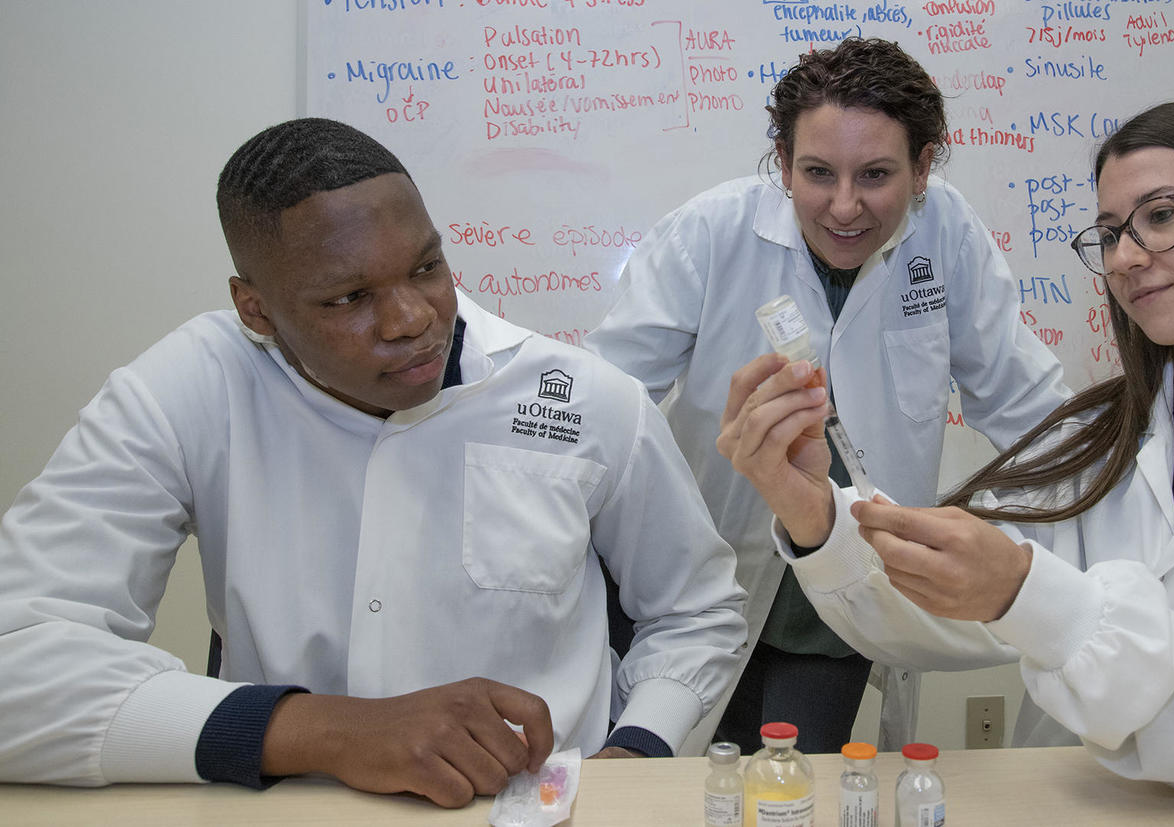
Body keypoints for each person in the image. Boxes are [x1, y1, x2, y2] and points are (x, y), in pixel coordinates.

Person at [718, 99, 1174, 801]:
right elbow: (935, 606)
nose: (1127, 257)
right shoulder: (1092, 442)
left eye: (1161, 216)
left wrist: (1036, 600)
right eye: (1110, 234)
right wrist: (814, 514)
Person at [0, 118, 747, 807]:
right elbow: (17, 662)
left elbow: (697, 610)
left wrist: (637, 747)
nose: (411, 319)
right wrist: (327, 730)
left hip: (528, 807)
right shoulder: (190, 389)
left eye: (426, 267)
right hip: (291, 808)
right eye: (350, 297)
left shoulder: (587, 400)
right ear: (255, 309)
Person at [585, 38, 1068, 754]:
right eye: (817, 173)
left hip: (840, 598)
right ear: (783, 163)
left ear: (923, 166)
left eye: (876, 174)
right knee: (664, 777)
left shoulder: (947, 237)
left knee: (793, 783)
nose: (845, 206)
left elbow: (1032, 409)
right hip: (703, 578)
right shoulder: (710, 234)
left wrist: (1090, 545)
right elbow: (603, 404)